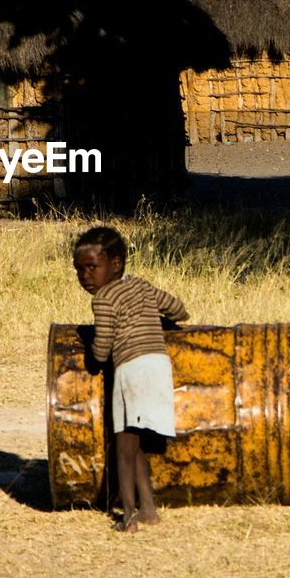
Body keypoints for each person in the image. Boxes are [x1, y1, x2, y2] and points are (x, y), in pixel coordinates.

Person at [73, 226, 189, 532]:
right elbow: (179, 310)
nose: (85, 276)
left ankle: (128, 516)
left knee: (122, 449)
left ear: (116, 264)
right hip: (159, 365)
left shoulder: (103, 300)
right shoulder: (142, 286)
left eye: (92, 267)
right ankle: (149, 510)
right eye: (80, 270)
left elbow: (103, 347)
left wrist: (93, 359)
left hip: (131, 369)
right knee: (136, 445)